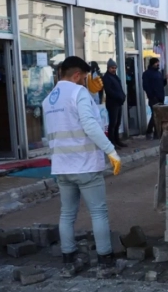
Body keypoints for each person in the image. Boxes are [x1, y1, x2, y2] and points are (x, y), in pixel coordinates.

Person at [42, 56, 122, 279]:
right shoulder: (79, 94)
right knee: (98, 212)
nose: (86, 81)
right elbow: (90, 126)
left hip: (61, 167)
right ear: (76, 75)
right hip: (85, 164)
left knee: (67, 214)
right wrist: (111, 151)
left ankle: (69, 260)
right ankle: (105, 262)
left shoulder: (48, 100)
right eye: (84, 77)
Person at [102, 59, 127, 148]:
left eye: (115, 68)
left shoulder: (115, 77)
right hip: (112, 103)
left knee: (117, 123)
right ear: (108, 68)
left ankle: (117, 140)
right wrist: (119, 96)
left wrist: (123, 96)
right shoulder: (106, 77)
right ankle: (111, 142)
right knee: (113, 123)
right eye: (112, 68)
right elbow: (109, 91)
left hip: (118, 103)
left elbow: (119, 89)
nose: (114, 69)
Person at [142, 58, 166, 140]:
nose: (158, 64)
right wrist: (151, 96)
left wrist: (165, 79)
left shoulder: (159, 73)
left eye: (158, 63)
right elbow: (145, 86)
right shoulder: (147, 74)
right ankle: (149, 131)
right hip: (153, 98)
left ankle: (157, 133)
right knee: (155, 115)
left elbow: (162, 84)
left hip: (160, 97)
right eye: (156, 63)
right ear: (152, 63)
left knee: (159, 116)